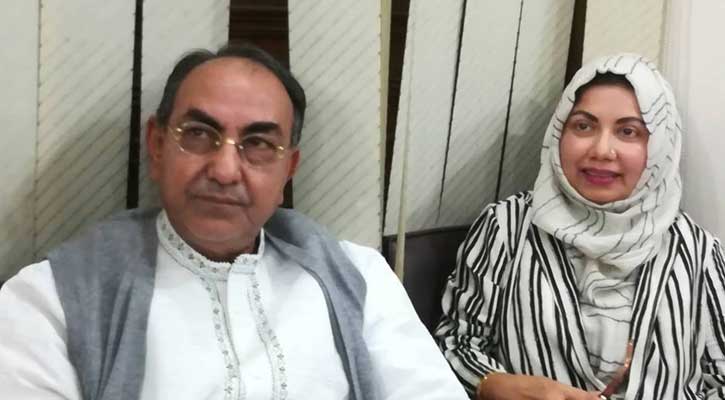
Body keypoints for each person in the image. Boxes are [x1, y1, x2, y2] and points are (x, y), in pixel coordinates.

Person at [0, 43, 467, 400]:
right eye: (199, 134)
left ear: (288, 170)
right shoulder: (52, 299)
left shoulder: (357, 277)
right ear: (157, 146)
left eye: (258, 144)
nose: (225, 170)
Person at [436, 53, 725, 400]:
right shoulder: (506, 228)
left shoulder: (698, 253)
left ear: (661, 145)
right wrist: (495, 384)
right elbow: (455, 344)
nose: (602, 150)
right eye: (584, 126)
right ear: (560, 131)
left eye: (628, 131)